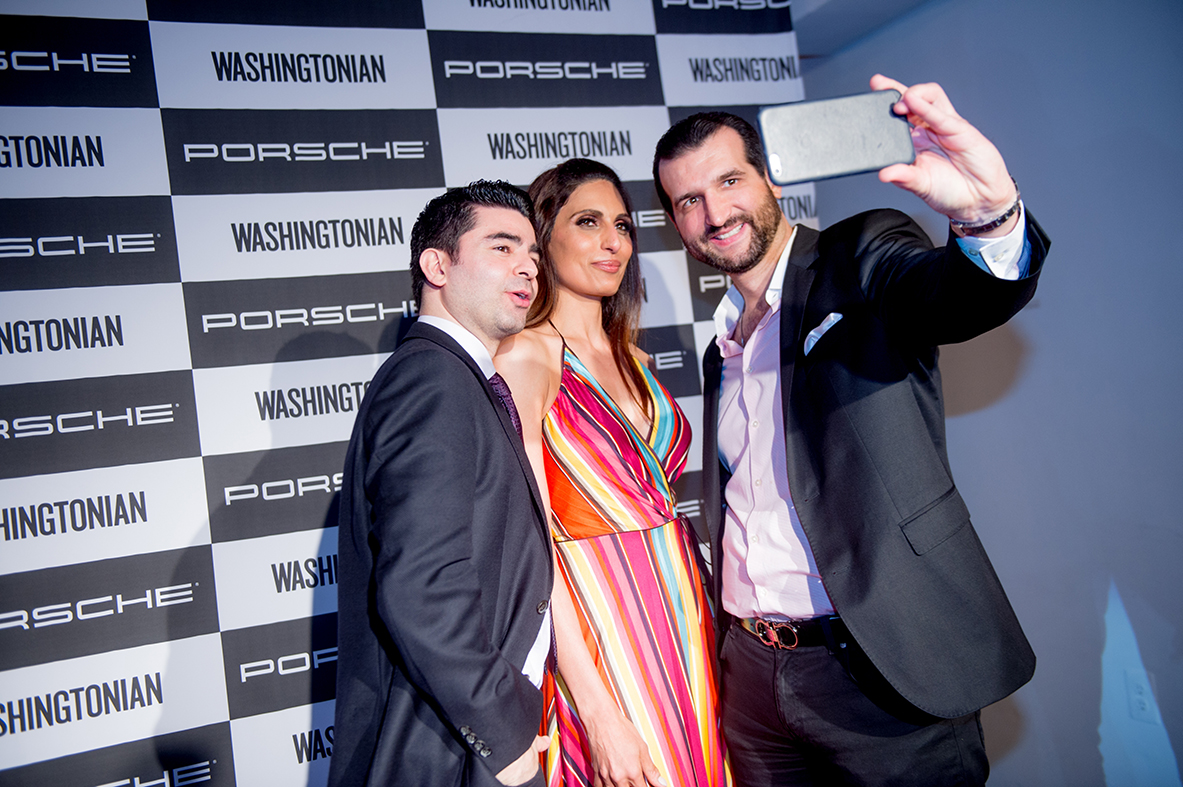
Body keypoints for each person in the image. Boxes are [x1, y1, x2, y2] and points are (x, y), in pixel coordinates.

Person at [651, 75, 1051, 785]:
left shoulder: (856, 255)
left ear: (769, 178)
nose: (714, 212)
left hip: (879, 668)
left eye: (728, 180)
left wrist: (988, 216)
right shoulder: (721, 350)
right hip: (750, 681)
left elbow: (949, 297)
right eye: (688, 201)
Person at [495, 159, 729, 787]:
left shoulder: (637, 356)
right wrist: (597, 711)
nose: (612, 242)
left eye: (621, 226)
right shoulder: (527, 358)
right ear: (544, 237)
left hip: (688, 617)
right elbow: (534, 547)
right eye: (587, 222)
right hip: (602, 633)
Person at [330, 181, 554, 787]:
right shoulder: (432, 380)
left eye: (532, 254)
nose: (527, 268)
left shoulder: (458, 377)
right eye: (502, 247)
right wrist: (506, 741)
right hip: (445, 745)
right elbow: (421, 589)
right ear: (437, 265)